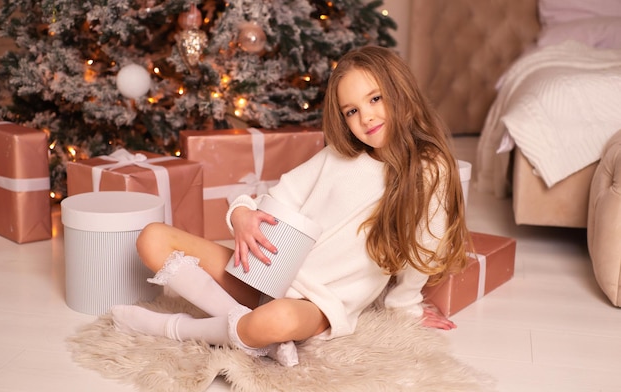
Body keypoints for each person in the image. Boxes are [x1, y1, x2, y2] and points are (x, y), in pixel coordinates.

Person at [111, 45, 470, 367]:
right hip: (267, 274)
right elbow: (275, 199)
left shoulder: (429, 168)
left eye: (375, 99)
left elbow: (426, 246)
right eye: (351, 110)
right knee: (152, 238)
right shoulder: (337, 157)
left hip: (319, 305)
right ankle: (249, 332)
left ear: (399, 91)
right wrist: (240, 215)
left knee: (276, 320)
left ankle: (175, 329)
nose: (367, 118)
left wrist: (405, 307)